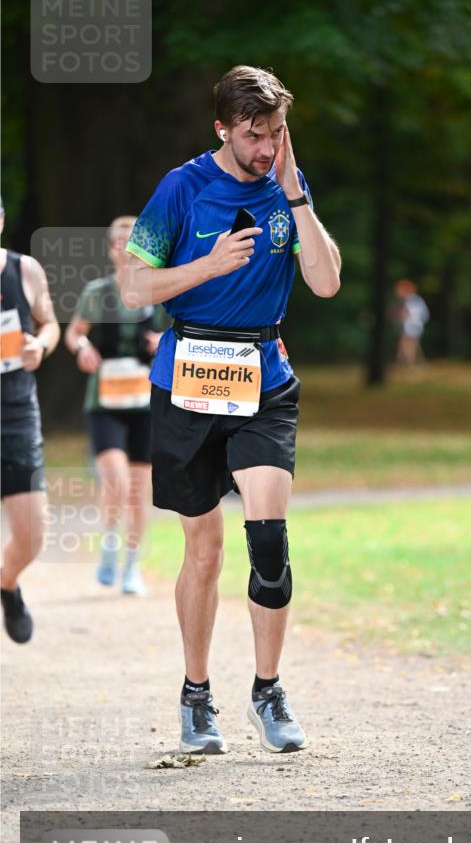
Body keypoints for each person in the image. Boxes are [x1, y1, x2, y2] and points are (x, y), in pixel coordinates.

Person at [121, 66, 341, 754]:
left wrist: (295, 190)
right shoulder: (180, 188)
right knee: (206, 551)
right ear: (221, 128)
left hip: (264, 377)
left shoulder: (286, 189)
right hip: (189, 376)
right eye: (253, 135)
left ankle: (268, 690)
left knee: (268, 540)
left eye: (276, 133)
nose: (265, 147)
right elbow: (132, 287)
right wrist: (206, 268)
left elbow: (326, 282)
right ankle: (196, 695)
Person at [65, 216, 166, 595]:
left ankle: (131, 567)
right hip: (105, 401)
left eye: (133, 241)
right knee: (116, 481)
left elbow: (182, 332)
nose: (126, 249)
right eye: (119, 242)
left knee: (138, 489)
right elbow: (74, 332)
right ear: (110, 250)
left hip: (144, 403)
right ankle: (109, 543)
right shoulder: (98, 292)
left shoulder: (160, 291)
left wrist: (163, 341)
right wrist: (82, 347)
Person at [1, 198, 60, 642]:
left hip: (17, 411)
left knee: (32, 536)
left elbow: (50, 324)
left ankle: (7, 581)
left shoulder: (25, 270)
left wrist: (40, 345)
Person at [394, 279, 429, 365]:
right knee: (411, 344)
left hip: (410, 325)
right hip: (417, 325)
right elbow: (425, 314)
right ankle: (417, 362)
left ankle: (410, 363)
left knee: (408, 345)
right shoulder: (417, 299)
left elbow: (405, 314)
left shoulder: (408, 300)